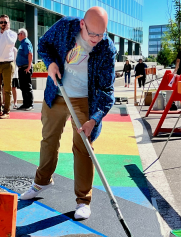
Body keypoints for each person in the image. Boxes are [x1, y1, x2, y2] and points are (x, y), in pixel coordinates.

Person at [20, 7, 117, 220]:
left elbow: (107, 90)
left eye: (101, 34)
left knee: (83, 148)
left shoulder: (107, 48)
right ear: (82, 23)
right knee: (49, 140)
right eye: (92, 34)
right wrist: (51, 63)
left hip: (84, 99)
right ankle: (42, 182)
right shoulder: (65, 26)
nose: (95, 39)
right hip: (58, 90)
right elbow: (44, 44)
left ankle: (83, 200)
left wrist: (94, 119)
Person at [16, 28, 34, 110]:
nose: (17, 36)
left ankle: (29, 104)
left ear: (22, 34)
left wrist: (29, 67)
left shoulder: (26, 43)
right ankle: (25, 103)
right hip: (21, 67)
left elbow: (30, 54)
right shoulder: (22, 43)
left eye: (18, 34)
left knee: (27, 86)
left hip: (25, 67)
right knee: (23, 86)